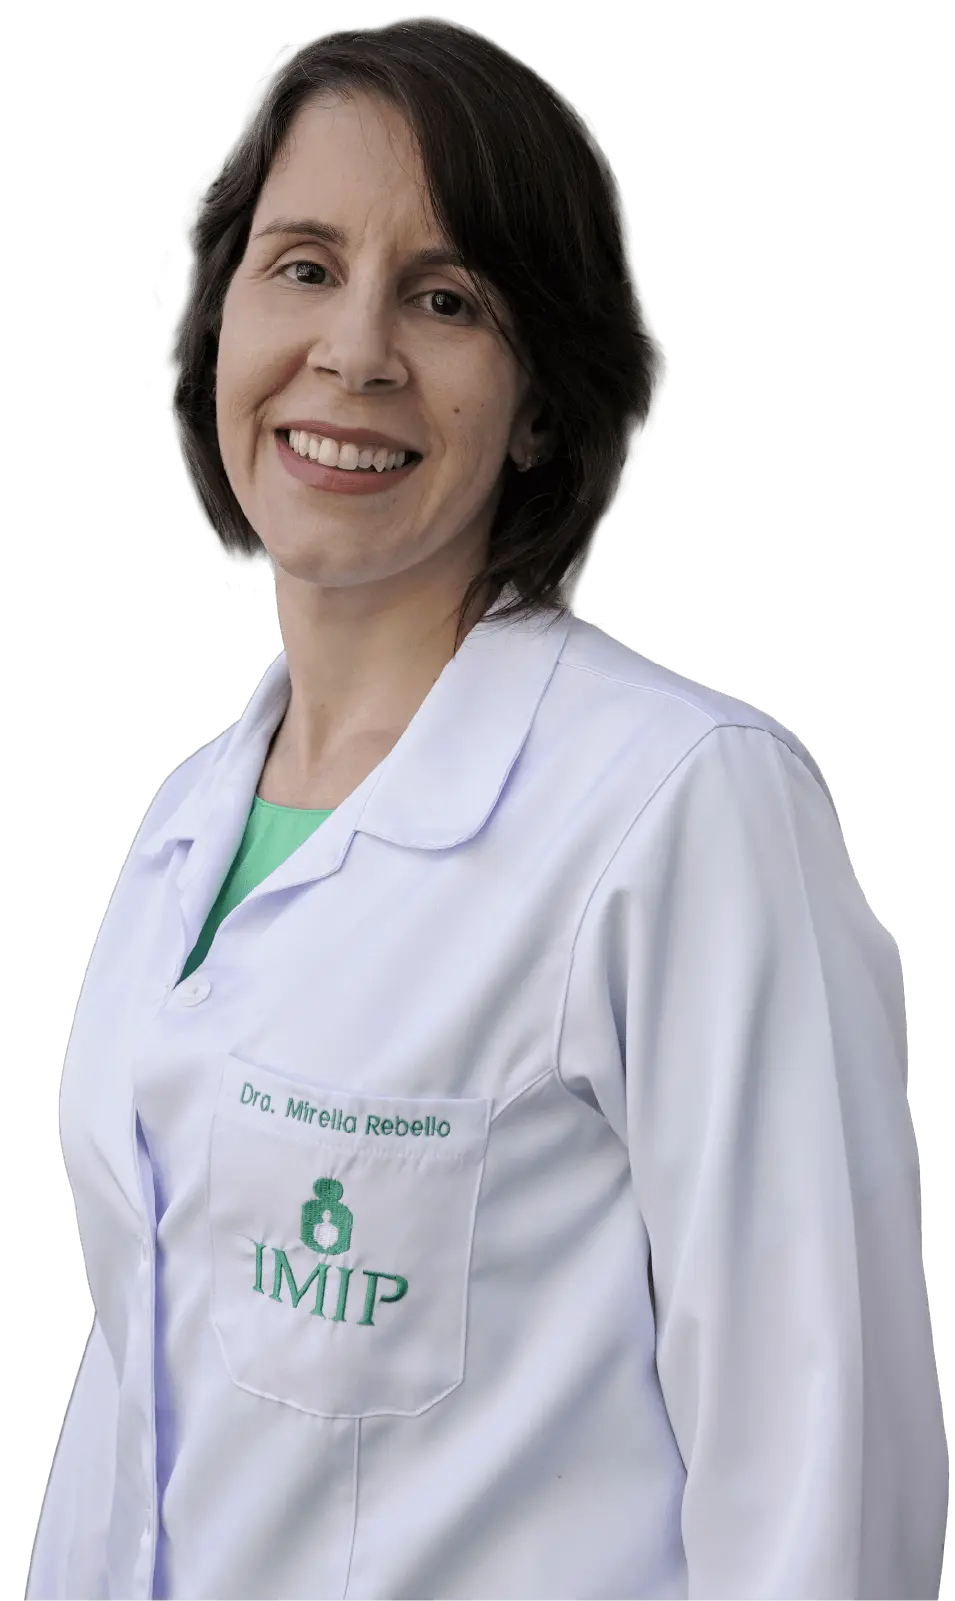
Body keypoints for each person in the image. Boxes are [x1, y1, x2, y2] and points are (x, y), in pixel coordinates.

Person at [27, 17, 947, 1601]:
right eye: (302, 267)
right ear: (223, 317)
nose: (355, 352)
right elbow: (137, 1409)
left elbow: (817, 1457)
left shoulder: (678, 810)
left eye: (444, 298)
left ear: (537, 402)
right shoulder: (184, 824)